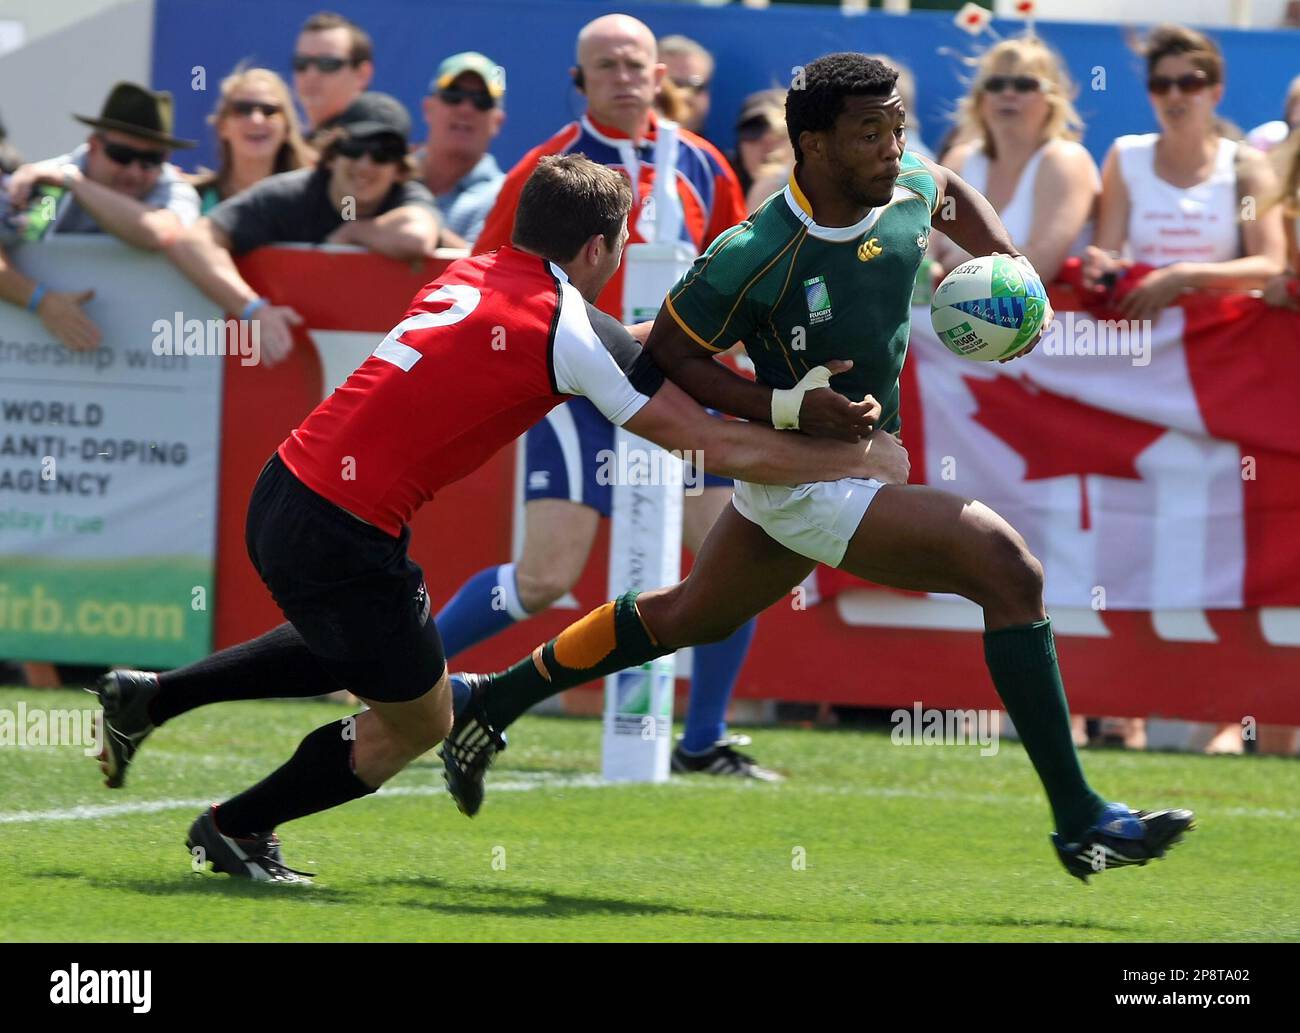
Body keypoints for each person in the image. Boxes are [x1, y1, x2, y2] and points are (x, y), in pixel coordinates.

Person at [440, 54, 1196, 883]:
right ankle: (1082, 821)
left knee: (691, 614)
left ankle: (489, 698)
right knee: (1006, 567)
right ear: (814, 145)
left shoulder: (901, 180)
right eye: (869, 132)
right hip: (808, 477)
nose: (891, 147)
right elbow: (666, 355)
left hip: (860, 461)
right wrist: (787, 409)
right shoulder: (756, 250)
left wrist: (1008, 263)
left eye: (896, 127)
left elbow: (947, 188)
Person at [91, 154, 908, 882]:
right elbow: (708, 446)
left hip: (288, 488)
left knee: (353, 646)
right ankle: (233, 830)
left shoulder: (480, 270)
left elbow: (597, 344)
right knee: (419, 721)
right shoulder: (563, 325)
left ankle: (150, 698)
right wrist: (856, 459)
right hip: (341, 526)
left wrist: (702, 346)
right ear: (599, 249)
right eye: (617, 244)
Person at [442, 14, 773, 780]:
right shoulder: (545, 168)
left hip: (680, 390)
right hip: (574, 389)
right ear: (579, 80)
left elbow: (740, 275)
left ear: (661, 76)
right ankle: (398, 674)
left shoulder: (702, 163)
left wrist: (760, 366)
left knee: (740, 563)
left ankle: (702, 741)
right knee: (544, 576)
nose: (625, 77)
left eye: (637, 64)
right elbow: (486, 274)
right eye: (607, 66)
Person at [166, 92, 440, 366]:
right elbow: (194, 241)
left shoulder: (407, 195)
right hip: (279, 374)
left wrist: (353, 232)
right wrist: (253, 309)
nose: (365, 164)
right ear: (332, 155)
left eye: (383, 153)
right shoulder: (292, 194)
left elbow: (416, 238)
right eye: (354, 148)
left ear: (400, 169)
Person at [1082, 24, 1285, 321]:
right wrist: (1102, 267)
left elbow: (1270, 265)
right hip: (1144, 334)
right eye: (1161, 85)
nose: (1174, 95)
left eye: (1189, 83)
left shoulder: (1246, 165)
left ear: (1216, 93)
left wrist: (1182, 276)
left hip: (1221, 337)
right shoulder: (1126, 156)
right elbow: (1108, 253)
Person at [0, 81, 200, 353]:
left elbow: (159, 233)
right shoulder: (40, 182)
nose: (134, 172)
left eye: (150, 160)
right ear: (94, 146)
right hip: (33, 367)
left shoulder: (173, 188)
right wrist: (41, 301)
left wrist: (76, 183)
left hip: (146, 365)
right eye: (122, 155)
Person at [933, 35, 1098, 286]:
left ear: (1051, 100)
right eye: (996, 84)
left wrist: (959, 260)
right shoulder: (959, 159)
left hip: (1052, 322)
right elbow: (925, 251)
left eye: (1024, 84)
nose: (1008, 93)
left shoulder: (1065, 159)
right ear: (980, 98)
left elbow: (1040, 265)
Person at [188, 66, 315, 213]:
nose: (256, 120)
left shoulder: (313, 200)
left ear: (286, 129)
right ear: (222, 127)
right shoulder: (192, 197)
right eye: (242, 109)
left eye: (269, 110)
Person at [416, 51, 506, 247]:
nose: (466, 108)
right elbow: (346, 217)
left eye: (482, 100)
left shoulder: (507, 199)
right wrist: (356, 224)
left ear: (497, 121)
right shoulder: (387, 172)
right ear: (427, 108)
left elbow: (488, 271)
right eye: (453, 95)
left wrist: (423, 230)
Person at [292, 10, 373, 143]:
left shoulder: (374, 148)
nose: (311, 74)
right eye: (302, 63)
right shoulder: (293, 151)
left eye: (327, 63)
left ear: (362, 74)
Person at [730, 89, 795, 212]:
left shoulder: (823, 191)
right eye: (752, 132)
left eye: (779, 132)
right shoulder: (720, 188)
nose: (767, 141)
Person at [658, 34, 713, 136]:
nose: (685, 95)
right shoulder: (624, 149)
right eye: (674, 84)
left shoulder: (709, 152)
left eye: (696, 85)